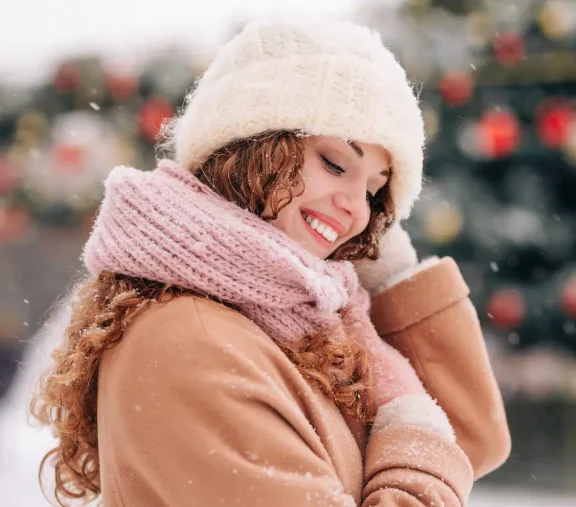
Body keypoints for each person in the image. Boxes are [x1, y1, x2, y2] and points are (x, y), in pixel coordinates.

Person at [30, 16, 510, 506]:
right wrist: (411, 426)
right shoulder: (192, 341)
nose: (357, 209)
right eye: (335, 163)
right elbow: (436, 449)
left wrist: (387, 271)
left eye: (375, 190)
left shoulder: (299, 325)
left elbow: (467, 437)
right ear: (253, 149)